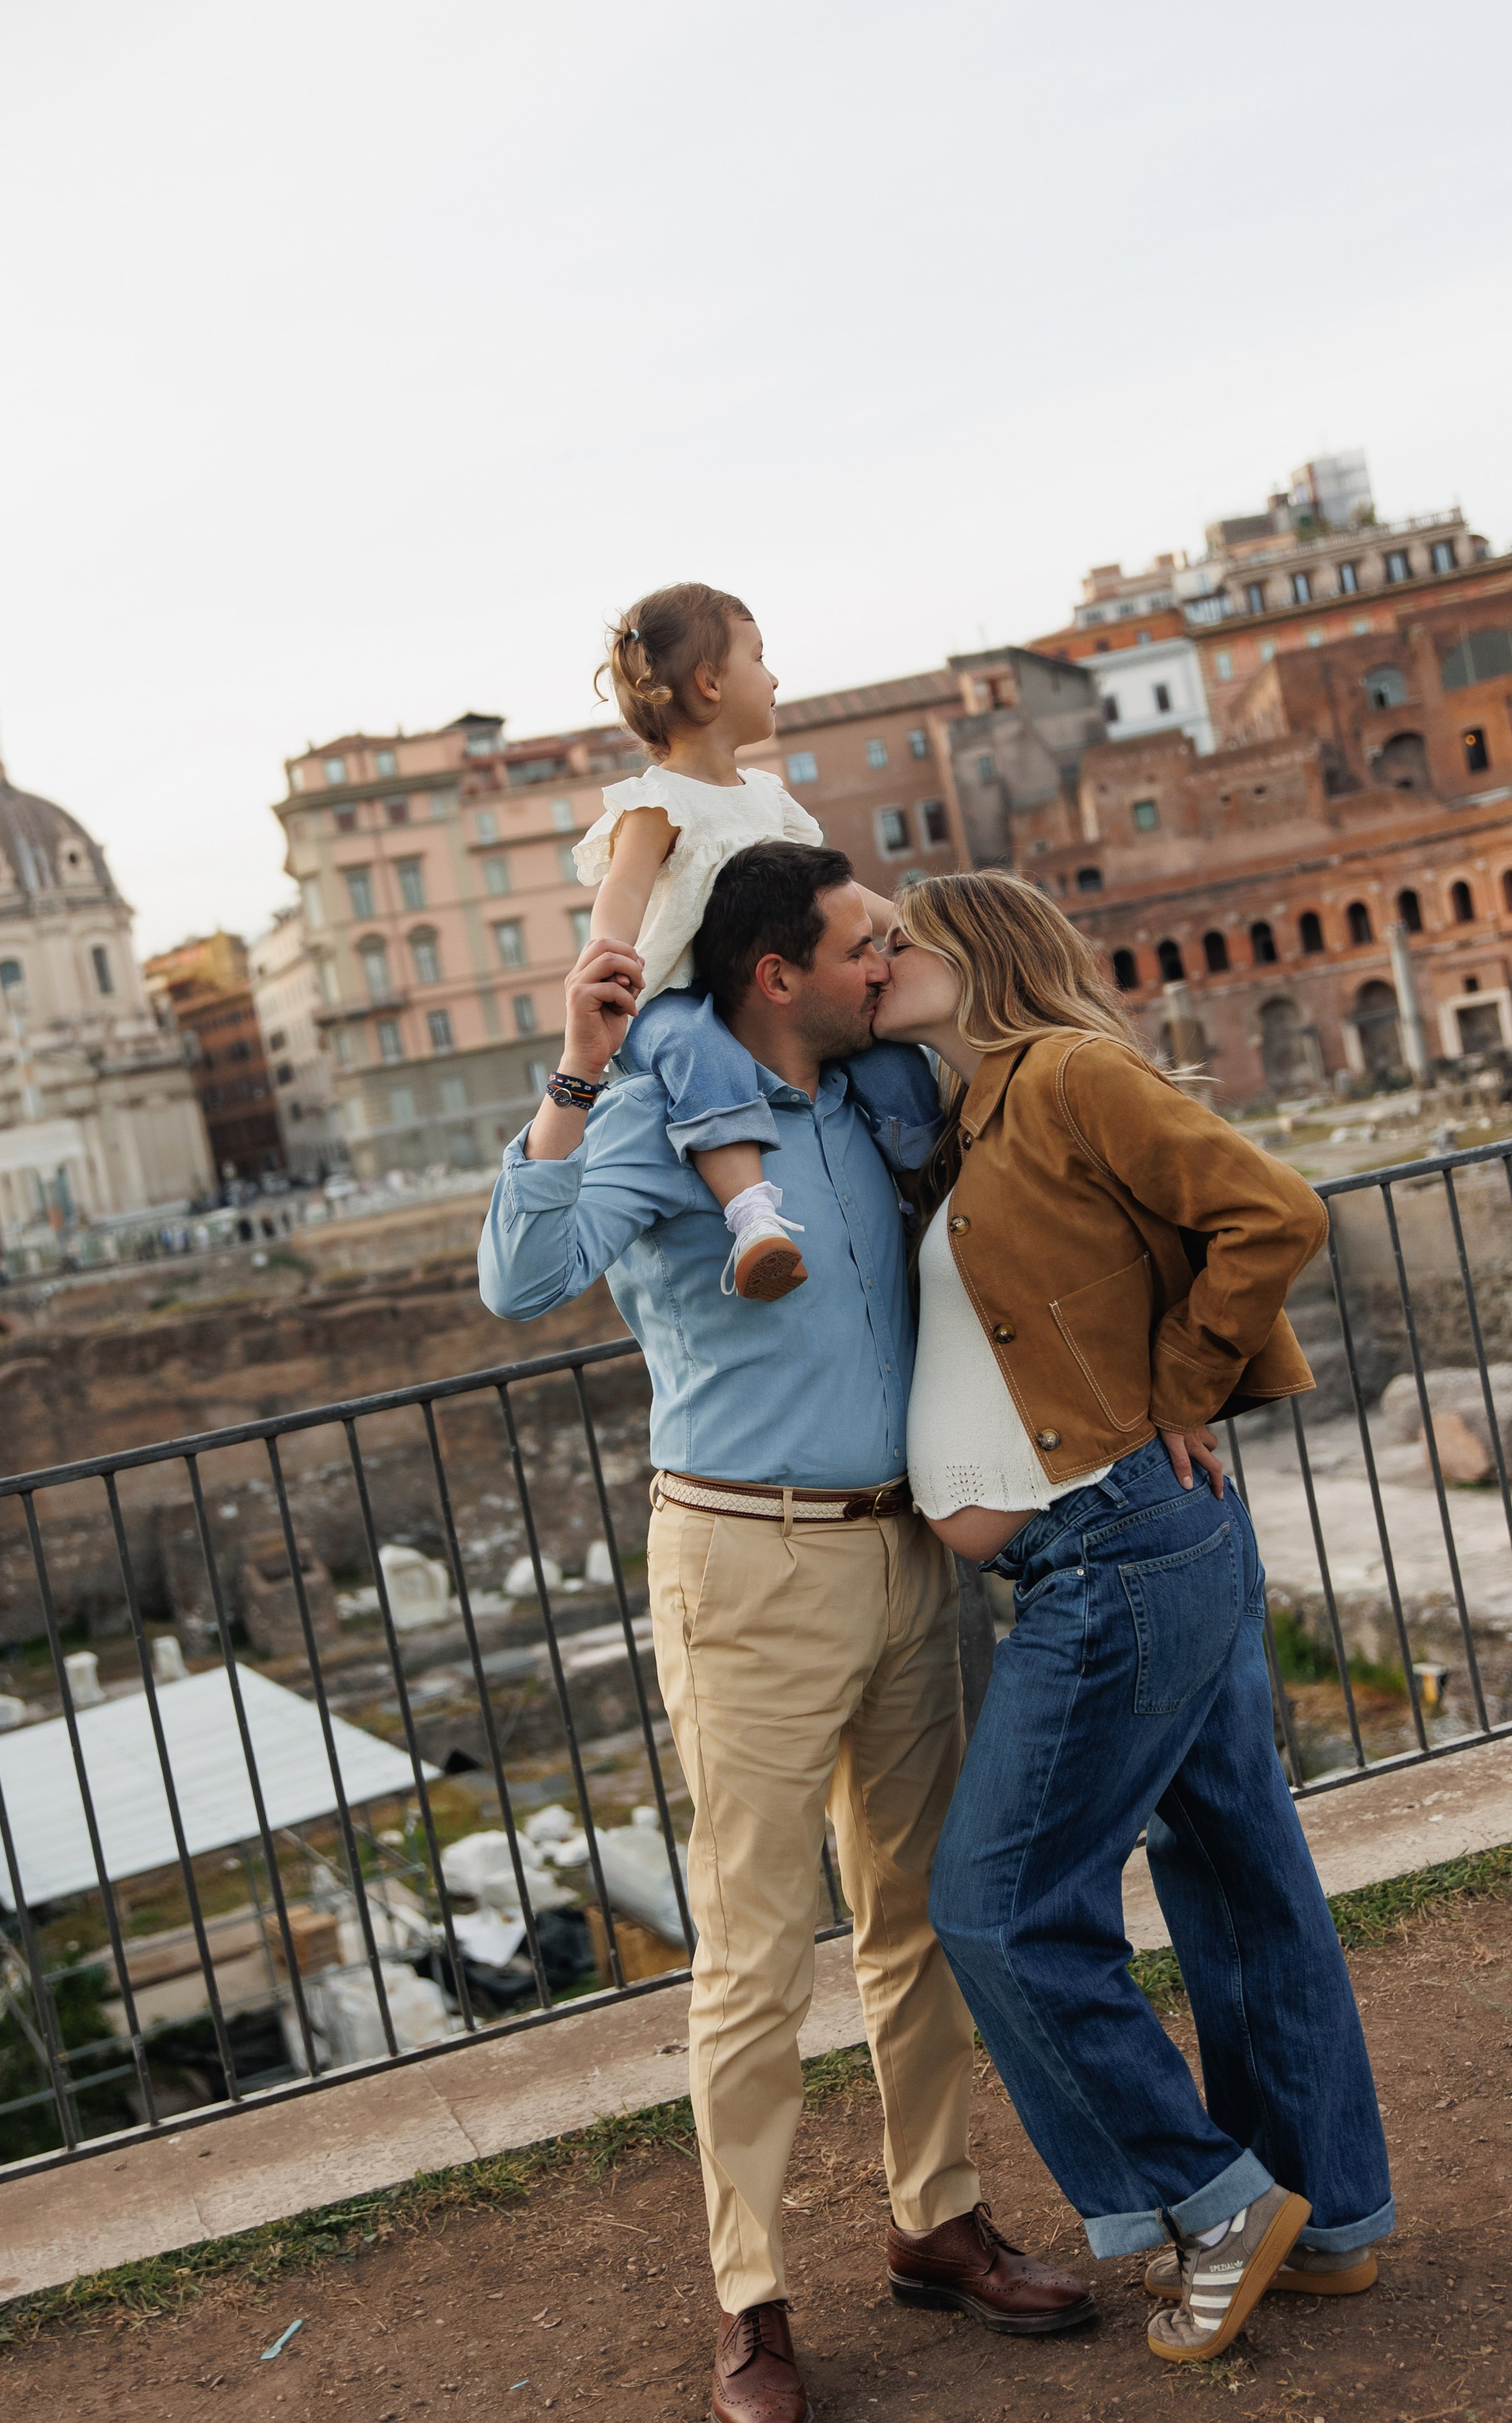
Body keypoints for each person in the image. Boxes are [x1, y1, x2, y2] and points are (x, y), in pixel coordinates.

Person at [479, 843, 1092, 2423]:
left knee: (915, 1914)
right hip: (742, 1567)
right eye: (856, 946)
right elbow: (517, 1272)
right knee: (753, 1952)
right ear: (775, 975)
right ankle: (748, 2299)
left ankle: (932, 2216)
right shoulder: (651, 1115)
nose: (880, 962)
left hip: (904, 1544)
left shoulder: (879, 1093)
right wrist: (572, 1065)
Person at [872, 868, 1394, 2367]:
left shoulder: (1072, 1073)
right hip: (1138, 1541)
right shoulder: (980, 1111)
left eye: (905, 938)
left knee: (994, 1905)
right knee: (1236, 1868)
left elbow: (1270, 1211)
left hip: (1111, 1549)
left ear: (980, 954)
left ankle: (1209, 2201)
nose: (886, 958)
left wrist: (1180, 1393)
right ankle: (1332, 2219)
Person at [578, 580, 940, 1300]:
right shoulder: (657, 800)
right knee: (695, 1052)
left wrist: (912, 924)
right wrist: (608, 959)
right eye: (760, 658)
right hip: (683, 1002)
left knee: (890, 1056)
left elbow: (831, 894)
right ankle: (754, 1222)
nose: (774, 678)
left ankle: (931, 1190)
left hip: (782, 998)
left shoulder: (769, 797)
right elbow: (622, 888)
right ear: (710, 683)